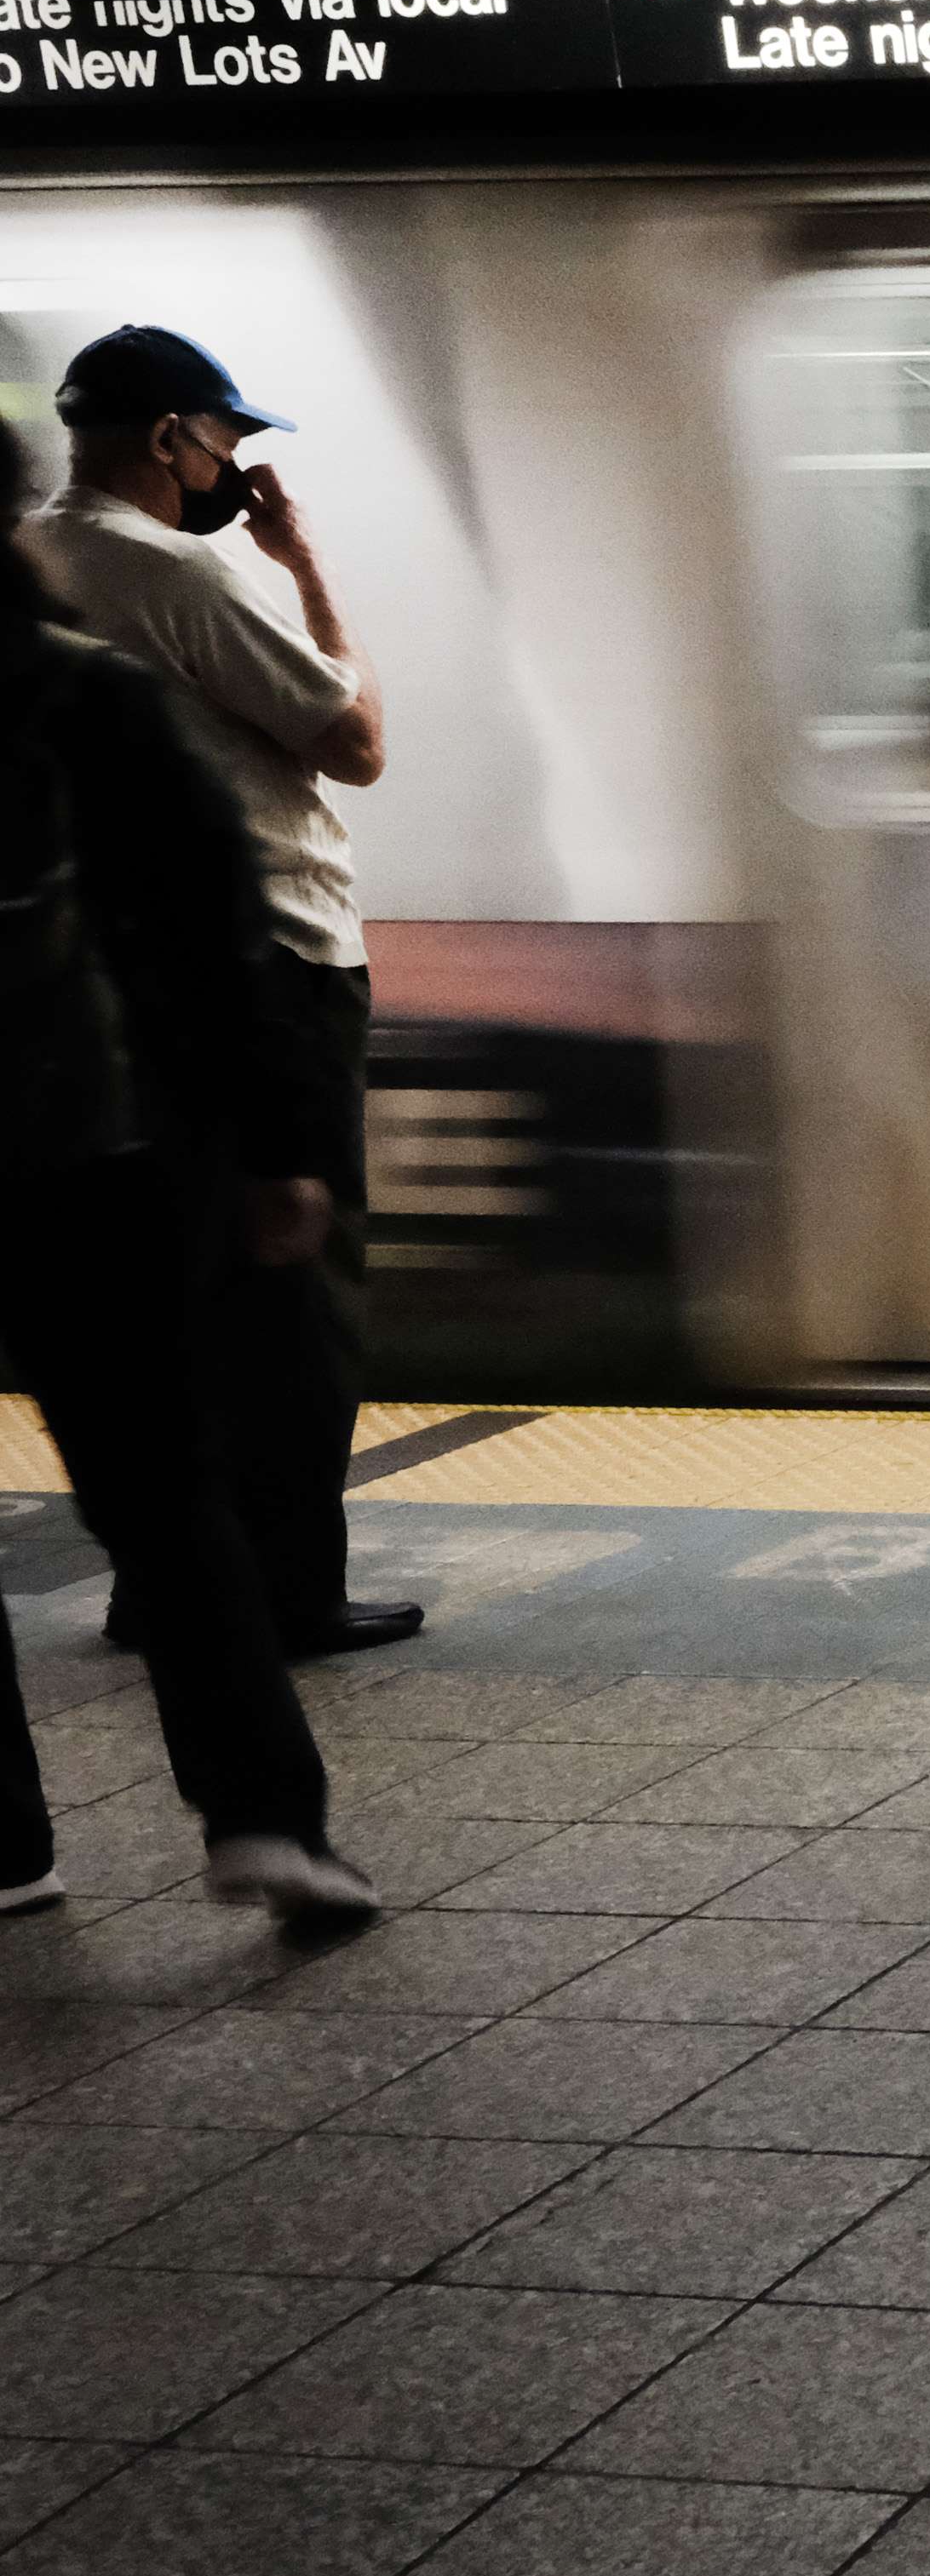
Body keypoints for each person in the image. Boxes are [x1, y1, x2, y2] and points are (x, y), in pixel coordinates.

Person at [0, 417, 379, 1931]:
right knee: (165, 1499)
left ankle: (7, 1843)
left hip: (67, 1159)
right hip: (80, 1160)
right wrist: (282, 1149)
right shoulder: (78, 688)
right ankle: (265, 1825)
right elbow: (216, 933)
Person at [35, 326, 416, 1659]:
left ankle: (165, 1581)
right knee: (296, 1286)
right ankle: (292, 1587)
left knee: (167, 1293)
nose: (232, 469)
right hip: (274, 966)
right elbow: (353, 741)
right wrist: (301, 564)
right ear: (168, 439)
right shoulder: (178, 568)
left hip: (106, 980)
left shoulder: (34, 555)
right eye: (226, 442)